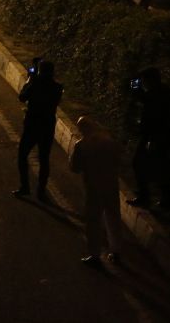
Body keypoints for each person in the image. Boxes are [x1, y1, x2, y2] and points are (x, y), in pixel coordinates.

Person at [70, 115, 124, 268]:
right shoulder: (109, 141)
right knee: (113, 216)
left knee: (94, 220)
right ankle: (116, 250)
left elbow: (74, 167)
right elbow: (119, 159)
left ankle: (95, 254)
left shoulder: (81, 145)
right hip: (111, 184)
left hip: (93, 186)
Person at [13, 59, 63, 202]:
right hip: (47, 126)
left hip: (32, 125)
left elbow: (22, 97)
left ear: (40, 71)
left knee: (23, 155)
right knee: (44, 159)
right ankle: (41, 192)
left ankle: (25, 187)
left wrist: (28, 81)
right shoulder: (58, 87)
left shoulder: (34, 84)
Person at [129, 67, 170, 208]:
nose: (143, 83)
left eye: (144, 80)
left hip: (154, 136)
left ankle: (149, 197)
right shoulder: (161, 92)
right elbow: (137, 94)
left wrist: (151, 139)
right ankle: (156, 198)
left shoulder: (155, 95)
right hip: (155, 136)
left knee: (142, 164)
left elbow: (155, 117)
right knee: (156, 167)